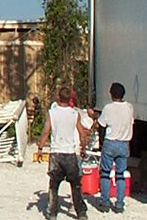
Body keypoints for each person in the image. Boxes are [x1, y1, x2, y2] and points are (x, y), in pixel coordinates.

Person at [38, 87, 89, 220]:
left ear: (58, 97)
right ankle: (81, 212)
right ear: (70, 99)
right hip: (70, 153)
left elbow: (46, 131)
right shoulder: (74, 114)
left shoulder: (52, 113)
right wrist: (83, 148)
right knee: (76, 185)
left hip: (56, 153)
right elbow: (81, 133)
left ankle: (52, 212)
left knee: (54, 185)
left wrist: (40, 148)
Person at [94, 82, 134, 214]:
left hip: (110, 142)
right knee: (120, 175)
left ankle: (105, 202)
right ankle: (119, 203)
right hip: (124, 143)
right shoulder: (129, 107)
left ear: (111, 94)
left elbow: (101, 124)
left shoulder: (108, 108)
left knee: (105, 173)